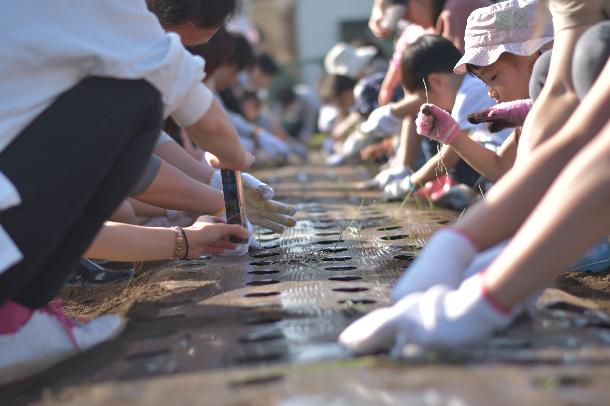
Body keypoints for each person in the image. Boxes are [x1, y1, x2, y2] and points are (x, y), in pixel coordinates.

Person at [0, 0, 252, 384]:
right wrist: (233, 169)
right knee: (141, 101)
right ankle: (14, 322)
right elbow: (202, 134)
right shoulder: (107, 14)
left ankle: (17, 318)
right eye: (177, 45)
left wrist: (189, 235)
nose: (176, 53)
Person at [339, 0, 610, 353]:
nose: (489, 91)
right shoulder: (547, 66)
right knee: (578, 59)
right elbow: (562, 96)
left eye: (494, 78)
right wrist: (455, 247)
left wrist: (487, 298)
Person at [379, 35, 511, 202]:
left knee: (458, 161)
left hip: (506, 167)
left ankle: (480, 194)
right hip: (504, 157)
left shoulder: (467, 93)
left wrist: (409, 184)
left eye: (426, 97)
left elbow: (448, 157)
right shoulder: (473, 82)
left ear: (435, 82)